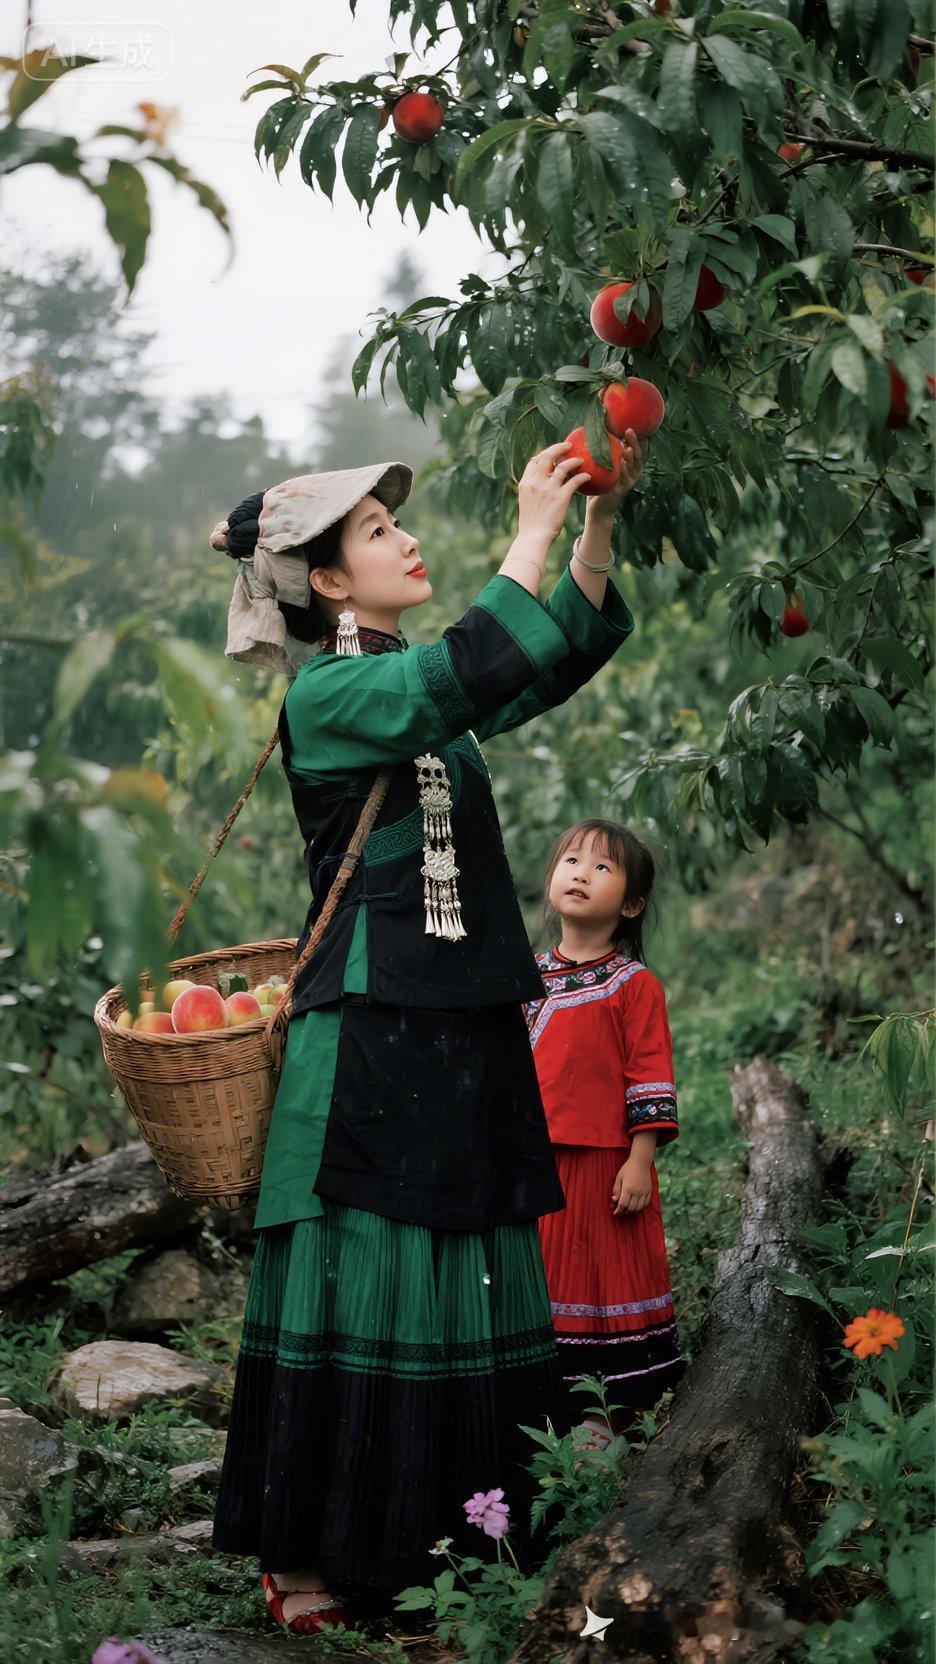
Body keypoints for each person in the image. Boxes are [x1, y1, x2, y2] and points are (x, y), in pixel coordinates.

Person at [209, 432, 647, 1632]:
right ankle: (316, 1557)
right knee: (368, 1271)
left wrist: (595, 522)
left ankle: (441, 1551)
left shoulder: (423, 694)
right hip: (368, 1028)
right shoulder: (333, 693)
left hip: (456, 1015)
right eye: (376, 531)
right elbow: (463, 667)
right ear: (331, 584)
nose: (406, 538)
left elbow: (540, 661)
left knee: (459, 1264)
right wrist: (534, 527)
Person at [524, 818, 684, 1444]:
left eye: (601, 867)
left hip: (606, 1167)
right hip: (538, 1167)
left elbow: (650, 1074)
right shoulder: (525, 977)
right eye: (570, 861)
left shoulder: (634, 985)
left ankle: (608, 1416)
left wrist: (640, 1160)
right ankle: (547, 1414)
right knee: (548, 1285)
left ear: (633, 903)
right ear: (550, 880)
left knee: (604, 1282)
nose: (580, 874)